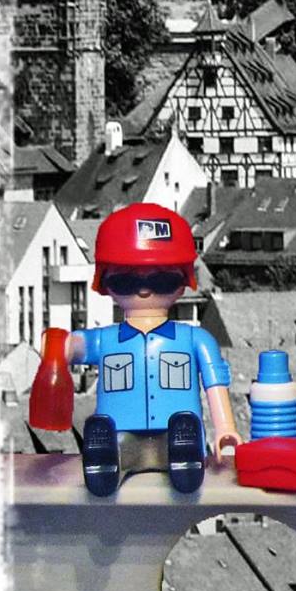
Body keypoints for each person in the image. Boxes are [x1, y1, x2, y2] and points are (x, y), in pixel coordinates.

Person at [54, 203, 239, 497]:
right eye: (125, 280)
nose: (143, 290)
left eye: (161, 280)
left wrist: (225, 428)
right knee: (115, 445)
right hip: (121, 431)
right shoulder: (106, 339)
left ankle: (185, 455)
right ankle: (106, 458)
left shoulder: (195, 339)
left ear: (183, 280)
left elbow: (215, 384)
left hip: (175, 430)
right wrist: (58, 348)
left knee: (182, 433)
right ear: (106, 283)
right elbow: (75, 346)